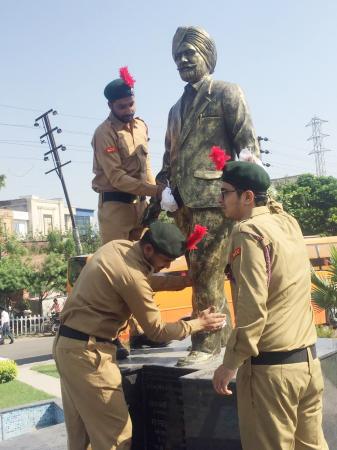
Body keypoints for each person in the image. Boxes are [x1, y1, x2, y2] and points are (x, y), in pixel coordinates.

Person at [53, 221, 226, 450]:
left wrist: (181, 282)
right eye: (165, 261)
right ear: (148, 250)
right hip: (89, 356)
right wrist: (198, 323)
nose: (166, 267)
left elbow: (144, 278)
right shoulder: (132, 276)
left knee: (81, 435)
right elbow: (157, 331)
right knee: (117, 437)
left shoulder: (118, 248)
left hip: (68, 348)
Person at [153, 26, 260, 366]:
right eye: (177, 56)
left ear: (207, 56)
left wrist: (249, 193)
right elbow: (168, 159)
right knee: (202, 272)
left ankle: (209, 341)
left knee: (214, 272)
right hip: (183, 206)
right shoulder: (174, 110)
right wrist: (164, 188)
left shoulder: (227, 93)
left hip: (218, 200)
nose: (183, 60)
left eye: (189, 53)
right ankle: (222, 337)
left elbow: (248, 146)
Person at [212, 160, 328, 449]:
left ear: (247, 197)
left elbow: (252, 308)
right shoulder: (288, 222)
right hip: (308, 366)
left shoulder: (247, 233)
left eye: (225, 192)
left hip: (271, 374)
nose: (219, 199)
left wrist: (229, 364)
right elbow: (272, 203)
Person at [92, 66, 163, 245]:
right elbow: (116, 178)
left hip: (141, 207)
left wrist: (157, 197)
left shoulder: (141, 126)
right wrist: (155, 191)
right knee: (118, 265)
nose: (128, 110)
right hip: (116, 209)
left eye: (131, 104)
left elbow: (146, 164)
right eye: (122, 107)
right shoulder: (104, 134)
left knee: (146, 263)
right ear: (110, 106)